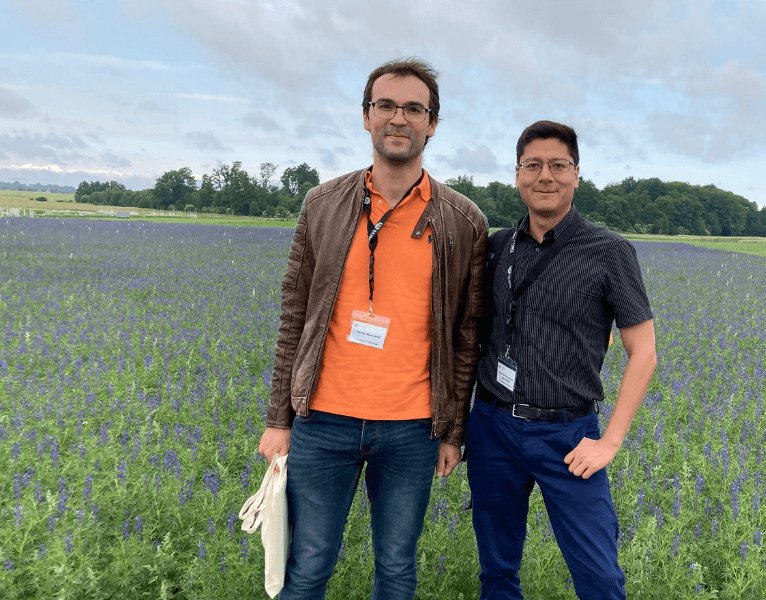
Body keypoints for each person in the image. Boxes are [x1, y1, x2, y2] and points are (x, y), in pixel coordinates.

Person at [257, 57, 488, 600]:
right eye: (386, 105)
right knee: (308, 565)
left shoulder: (463, 220)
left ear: (433, 123)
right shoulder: (323, 204)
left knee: (397, 569)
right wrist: (278, 418)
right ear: (366, 117)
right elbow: (295, 317)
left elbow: (467, 335)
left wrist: (453, 429)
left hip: (412, 427)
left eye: (414, 108)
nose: (398, 118)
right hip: (324, 421)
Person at [467, 121, 657, 599]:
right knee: (497, 570)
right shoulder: (497, 246)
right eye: (533, 165)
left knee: (598, 577)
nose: (544, 176)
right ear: (517, 175)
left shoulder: (609, 251)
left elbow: (644, 352)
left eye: (557, 165)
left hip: (568, 435)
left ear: (577, 174)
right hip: (493, 427)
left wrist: (609, 442)